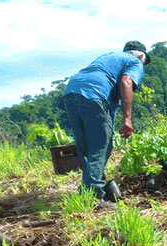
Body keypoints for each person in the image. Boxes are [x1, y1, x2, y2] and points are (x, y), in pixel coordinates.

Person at [63, 40, 150, 205]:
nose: (142, 66)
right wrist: (127, 119)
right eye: (144, 62)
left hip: (72, 93)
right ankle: (95, 196)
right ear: (140, 56)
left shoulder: (109, 57)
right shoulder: (134, 62)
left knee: (87, 147)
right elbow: (126, 82)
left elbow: (110, 103)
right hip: (95, 95)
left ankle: (92, 187)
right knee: (101, 146)